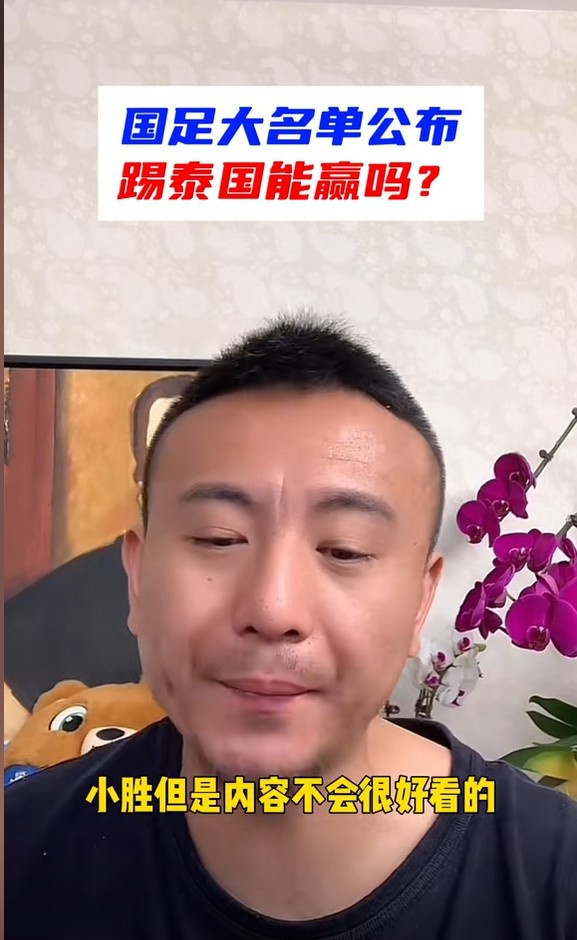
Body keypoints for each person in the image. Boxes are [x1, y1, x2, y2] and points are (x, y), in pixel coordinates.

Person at [5, 314, 577, 940]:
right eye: (219, 538)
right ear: (137, 579)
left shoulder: (554, 877)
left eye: (345, 549)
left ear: (420, 602)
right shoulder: (20, 852)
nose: (273, 609)